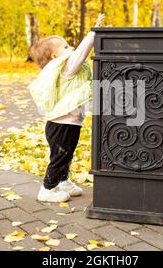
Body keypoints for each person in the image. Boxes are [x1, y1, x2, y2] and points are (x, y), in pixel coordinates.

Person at [28, 13, 105, 202]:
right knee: (60, 157)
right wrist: (93, 33)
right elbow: (80, 55)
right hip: (61, 124)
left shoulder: (65, 68)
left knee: (66, 155)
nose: (70, 47)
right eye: (65, 46)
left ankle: (62, 181)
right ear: (55, 56)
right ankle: (47, 189)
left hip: (66, 123)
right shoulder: (66, 67)